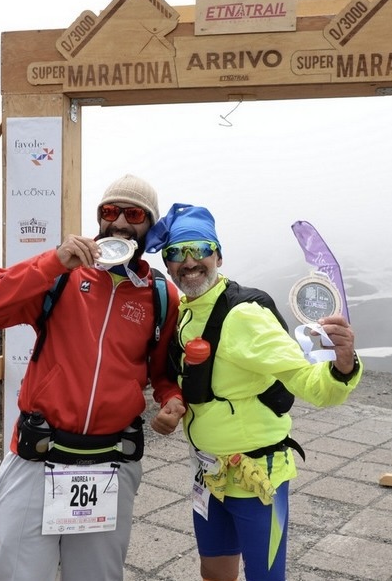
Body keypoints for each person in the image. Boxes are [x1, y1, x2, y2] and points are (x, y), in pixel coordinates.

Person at [0, 174, 186, 581]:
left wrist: (172, 400)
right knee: (15, 576)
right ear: (98, 218)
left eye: (133, 213)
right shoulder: (62, 275)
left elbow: (162, 372)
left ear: (149, 225)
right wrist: (53, 261)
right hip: (38, 454)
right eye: (109, 211)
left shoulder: (160, 295)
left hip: (110, 461)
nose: (119, 222)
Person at [145, 203, 362, 581]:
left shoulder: (243, 315)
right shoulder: (186, 311)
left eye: (200, 249)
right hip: (208, 473)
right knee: (214, 572)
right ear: (168, 262)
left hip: (256, 478)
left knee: (264, 577)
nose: (189, 261)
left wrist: (343, 366)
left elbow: (312, 385)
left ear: (219, 255)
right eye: (177, 252)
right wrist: (171, 403)